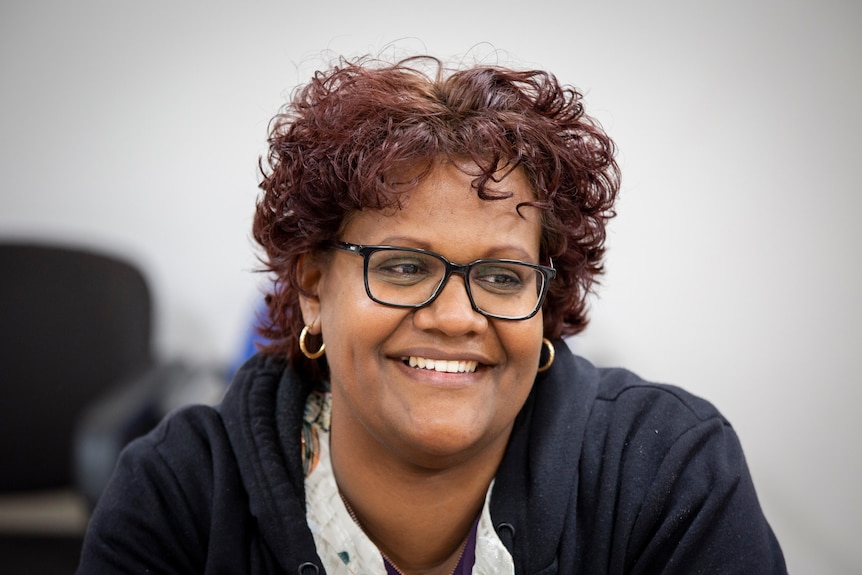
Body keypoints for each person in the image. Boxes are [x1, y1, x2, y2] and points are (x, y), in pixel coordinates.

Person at [77, 53, 787, 574]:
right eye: (405, 266)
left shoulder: (668, 470)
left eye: (503, 275)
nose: (455, 317)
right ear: (316, 287)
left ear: (549, 299)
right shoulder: (179, 493)